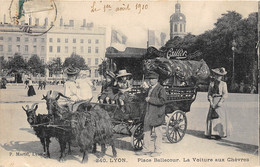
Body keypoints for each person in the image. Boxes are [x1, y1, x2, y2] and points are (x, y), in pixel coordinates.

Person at [136, 71, 166, 157]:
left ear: (157, 79)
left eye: (153, 79)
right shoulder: (149, 88)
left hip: (157, 114)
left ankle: (158, 150)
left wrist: (150, 99)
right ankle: (146, 149)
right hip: (148, 114)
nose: (151, 81)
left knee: (158, 133)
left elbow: (163, 101)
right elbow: (144, 97)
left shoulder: (161, 89)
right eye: (150, 79)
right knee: (146, 132)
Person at [205, 67, 228, 140]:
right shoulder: (211, 84)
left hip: (220, 101)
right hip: (213, 100)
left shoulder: (223, 84)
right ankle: (210, 133)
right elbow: (209, 94)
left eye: (220, 76)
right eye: (217, 75)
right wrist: (211, 101)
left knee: (220, 117)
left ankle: (219, 133)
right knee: (211, 116)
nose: (218, 77)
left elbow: (225, 94)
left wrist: (221, 102)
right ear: (215, 75)